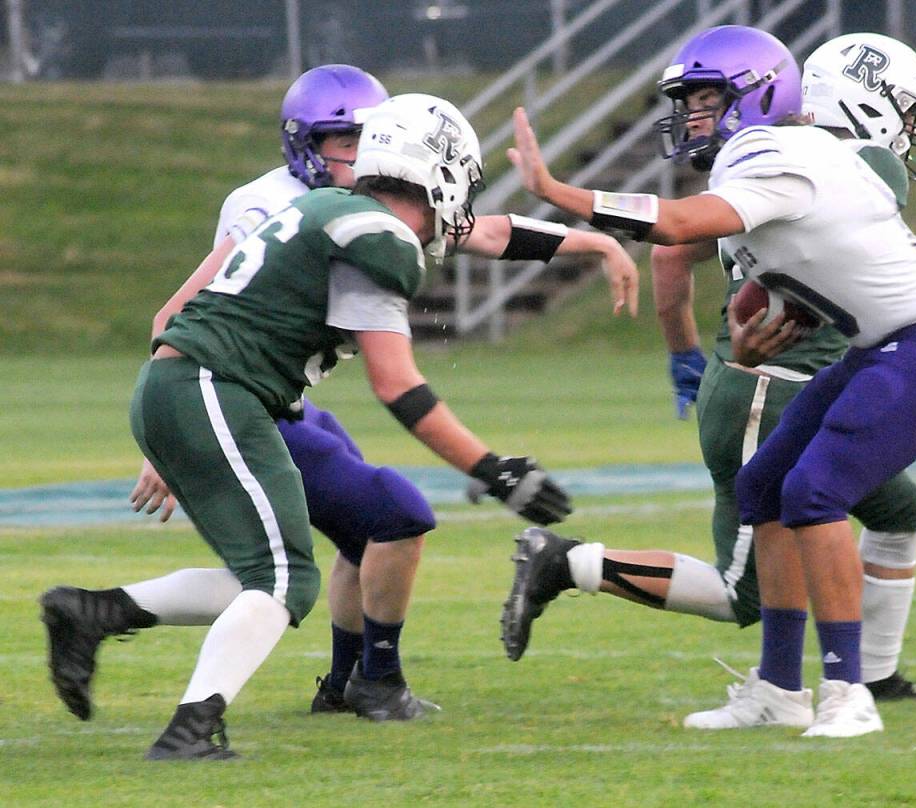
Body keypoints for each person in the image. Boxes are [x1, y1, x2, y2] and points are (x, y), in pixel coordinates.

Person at [40, 66, 639, 728]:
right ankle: (349, 686)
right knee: (357, 533)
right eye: (341, 140)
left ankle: (345, 678)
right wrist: (175, 436)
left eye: (366, 137)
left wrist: (594, 241)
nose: (355, 152)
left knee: (326, 548)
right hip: (229, 392)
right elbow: (192, 319)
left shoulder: (349, 207)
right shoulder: (295, 209)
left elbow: (478, 230)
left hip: (254, 395)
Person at [504, 24, 916, 737]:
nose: (693, 114)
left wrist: (557, 190)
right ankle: (777, 689)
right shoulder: (768, 162)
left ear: (761, 95)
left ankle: (848, 693)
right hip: (885, 343)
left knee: (813, 493)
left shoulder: (779, 149)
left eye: (708, 97)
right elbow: (792, 281)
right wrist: (744, 328)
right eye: (689, 100)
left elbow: (674, 227)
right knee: (764, 488)